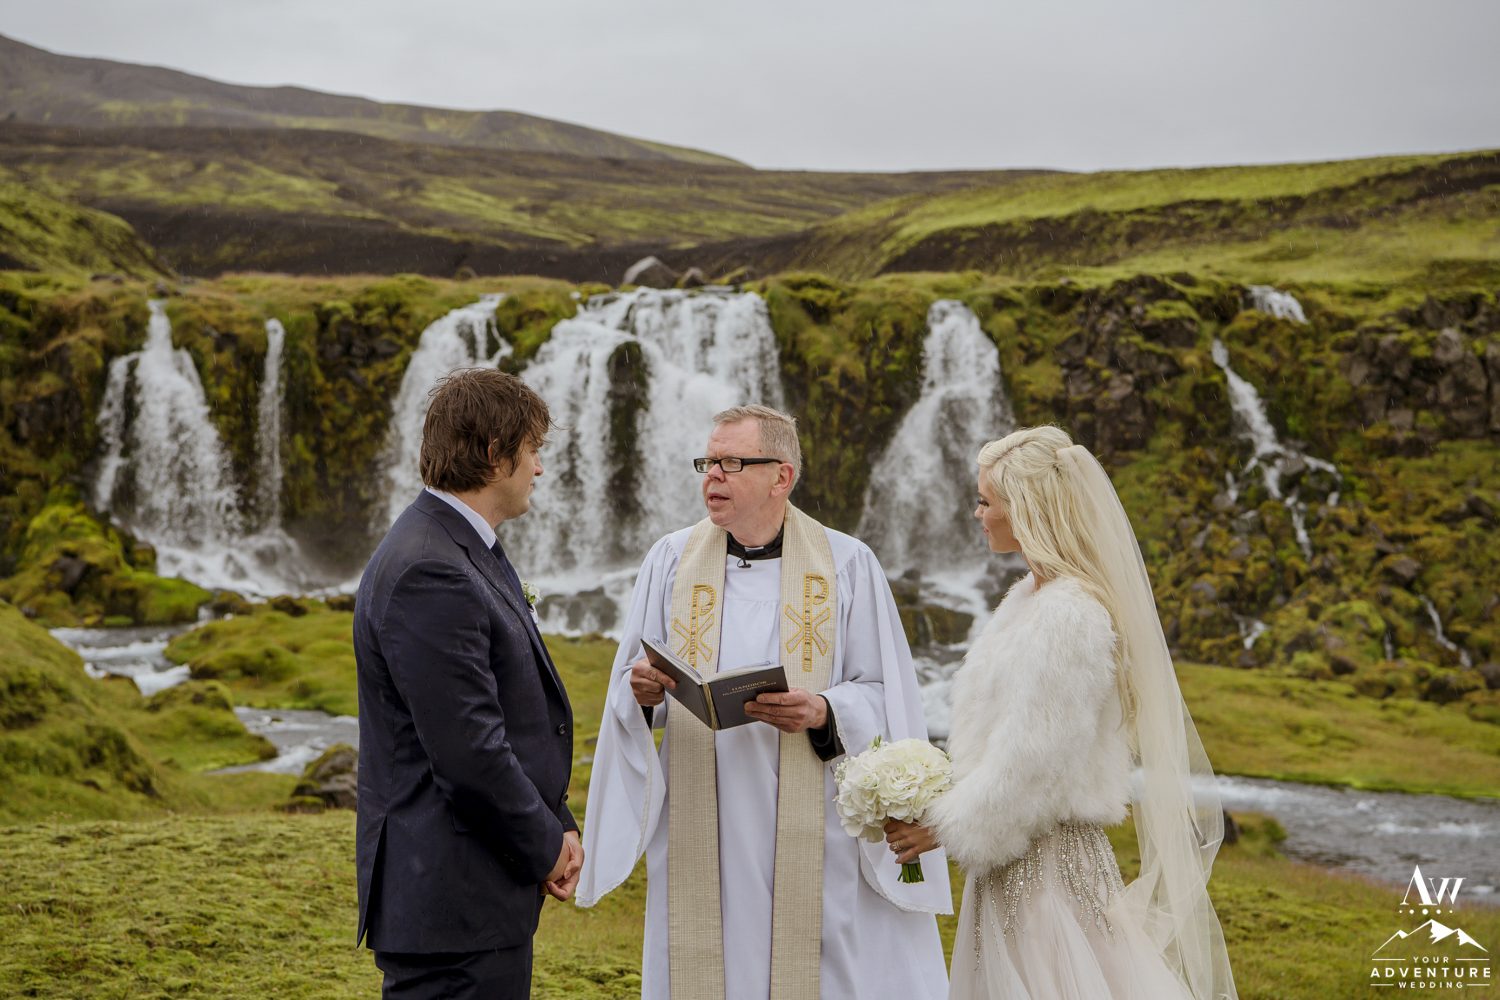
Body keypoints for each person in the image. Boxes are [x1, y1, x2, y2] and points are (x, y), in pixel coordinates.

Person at [577, 404, 951, 1000]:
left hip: (813, 816)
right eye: (707, 462)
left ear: (782, 476)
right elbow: (635, 676)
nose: (712, 477)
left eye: (731, 463)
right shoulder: (671, 561)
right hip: (704, 807)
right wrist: (642, 691)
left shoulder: (848, 564)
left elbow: (888, 694)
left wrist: (825, 709)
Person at [884, 425, 1238, 1000]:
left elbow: (1034, 762)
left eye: (985, 501)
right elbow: (997, 739)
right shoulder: (1028, 598)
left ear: (1024, 510)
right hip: (1008, 856)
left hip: (1047, 867)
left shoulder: (1068, 614)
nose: (977, 513)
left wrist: (941, 826)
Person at [353, 368, 582, 1000]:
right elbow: (469, 753)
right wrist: (546, 848)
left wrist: (556, 820)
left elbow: (505, 718)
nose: (538, 468)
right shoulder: (433, 568)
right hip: (452, 906)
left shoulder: (457, 546)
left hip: (469, 895)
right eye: (533, 450)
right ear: (493, 454)